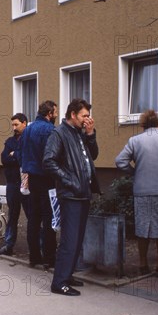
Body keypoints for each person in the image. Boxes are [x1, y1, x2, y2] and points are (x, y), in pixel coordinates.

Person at [43, 99, 99, 296]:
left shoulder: (79, 133)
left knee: (78, 238)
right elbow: (49, 161)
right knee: (70, 239)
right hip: (71, 194)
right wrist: (70, 181)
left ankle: (67, 274)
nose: (87, 119)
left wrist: (91, 134)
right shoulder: (59, 133)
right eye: (84, 115)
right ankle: (59, 282)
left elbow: (94, 155)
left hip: (83, 193)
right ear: (73, 114)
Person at [115, 110, 158, 277]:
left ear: (142, 125)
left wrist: (134, 172)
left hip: (142, 190)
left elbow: (120, 161)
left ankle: (143, 264)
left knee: (143, 228)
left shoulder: (135, 140)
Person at [20, 100, 59, 268]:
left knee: (33, 219)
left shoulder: (28, 129)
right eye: (55, 112)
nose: (57, 115)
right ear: (49, 113)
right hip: (47, 178)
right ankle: (50, 259)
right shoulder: (50, 130)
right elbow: (53, 155)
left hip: (32, 177)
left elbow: (21, 153)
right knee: (49, 218)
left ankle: (34, 257)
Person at [0, 113, 31, 256]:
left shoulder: (29, 140)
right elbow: (4, 159)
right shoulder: (10, 141)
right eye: (12, 125)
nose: (14, 127)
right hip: (12, 184)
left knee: (31, 215)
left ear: (24, 123)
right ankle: (8, 245)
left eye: (16, 124)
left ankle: (37, 247)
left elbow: (25, 158)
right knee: (12, 216)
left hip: (27, 184)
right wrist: (13, 156)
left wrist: (14, 155)